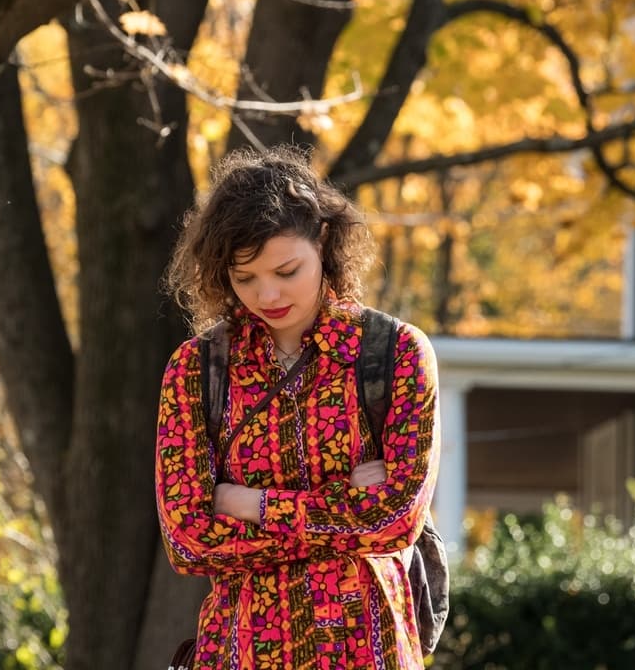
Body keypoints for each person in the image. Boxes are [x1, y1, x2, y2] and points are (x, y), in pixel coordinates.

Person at [155, 146, 441, 670]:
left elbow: (396, 520)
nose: (268, 294)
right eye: (245, 279)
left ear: (325, 242)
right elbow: (187, 541)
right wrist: (343, 505)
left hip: (368, 648)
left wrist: (251, 504)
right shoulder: (197, 370)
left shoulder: (394, 352)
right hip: (239, 652)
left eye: (287, 271)